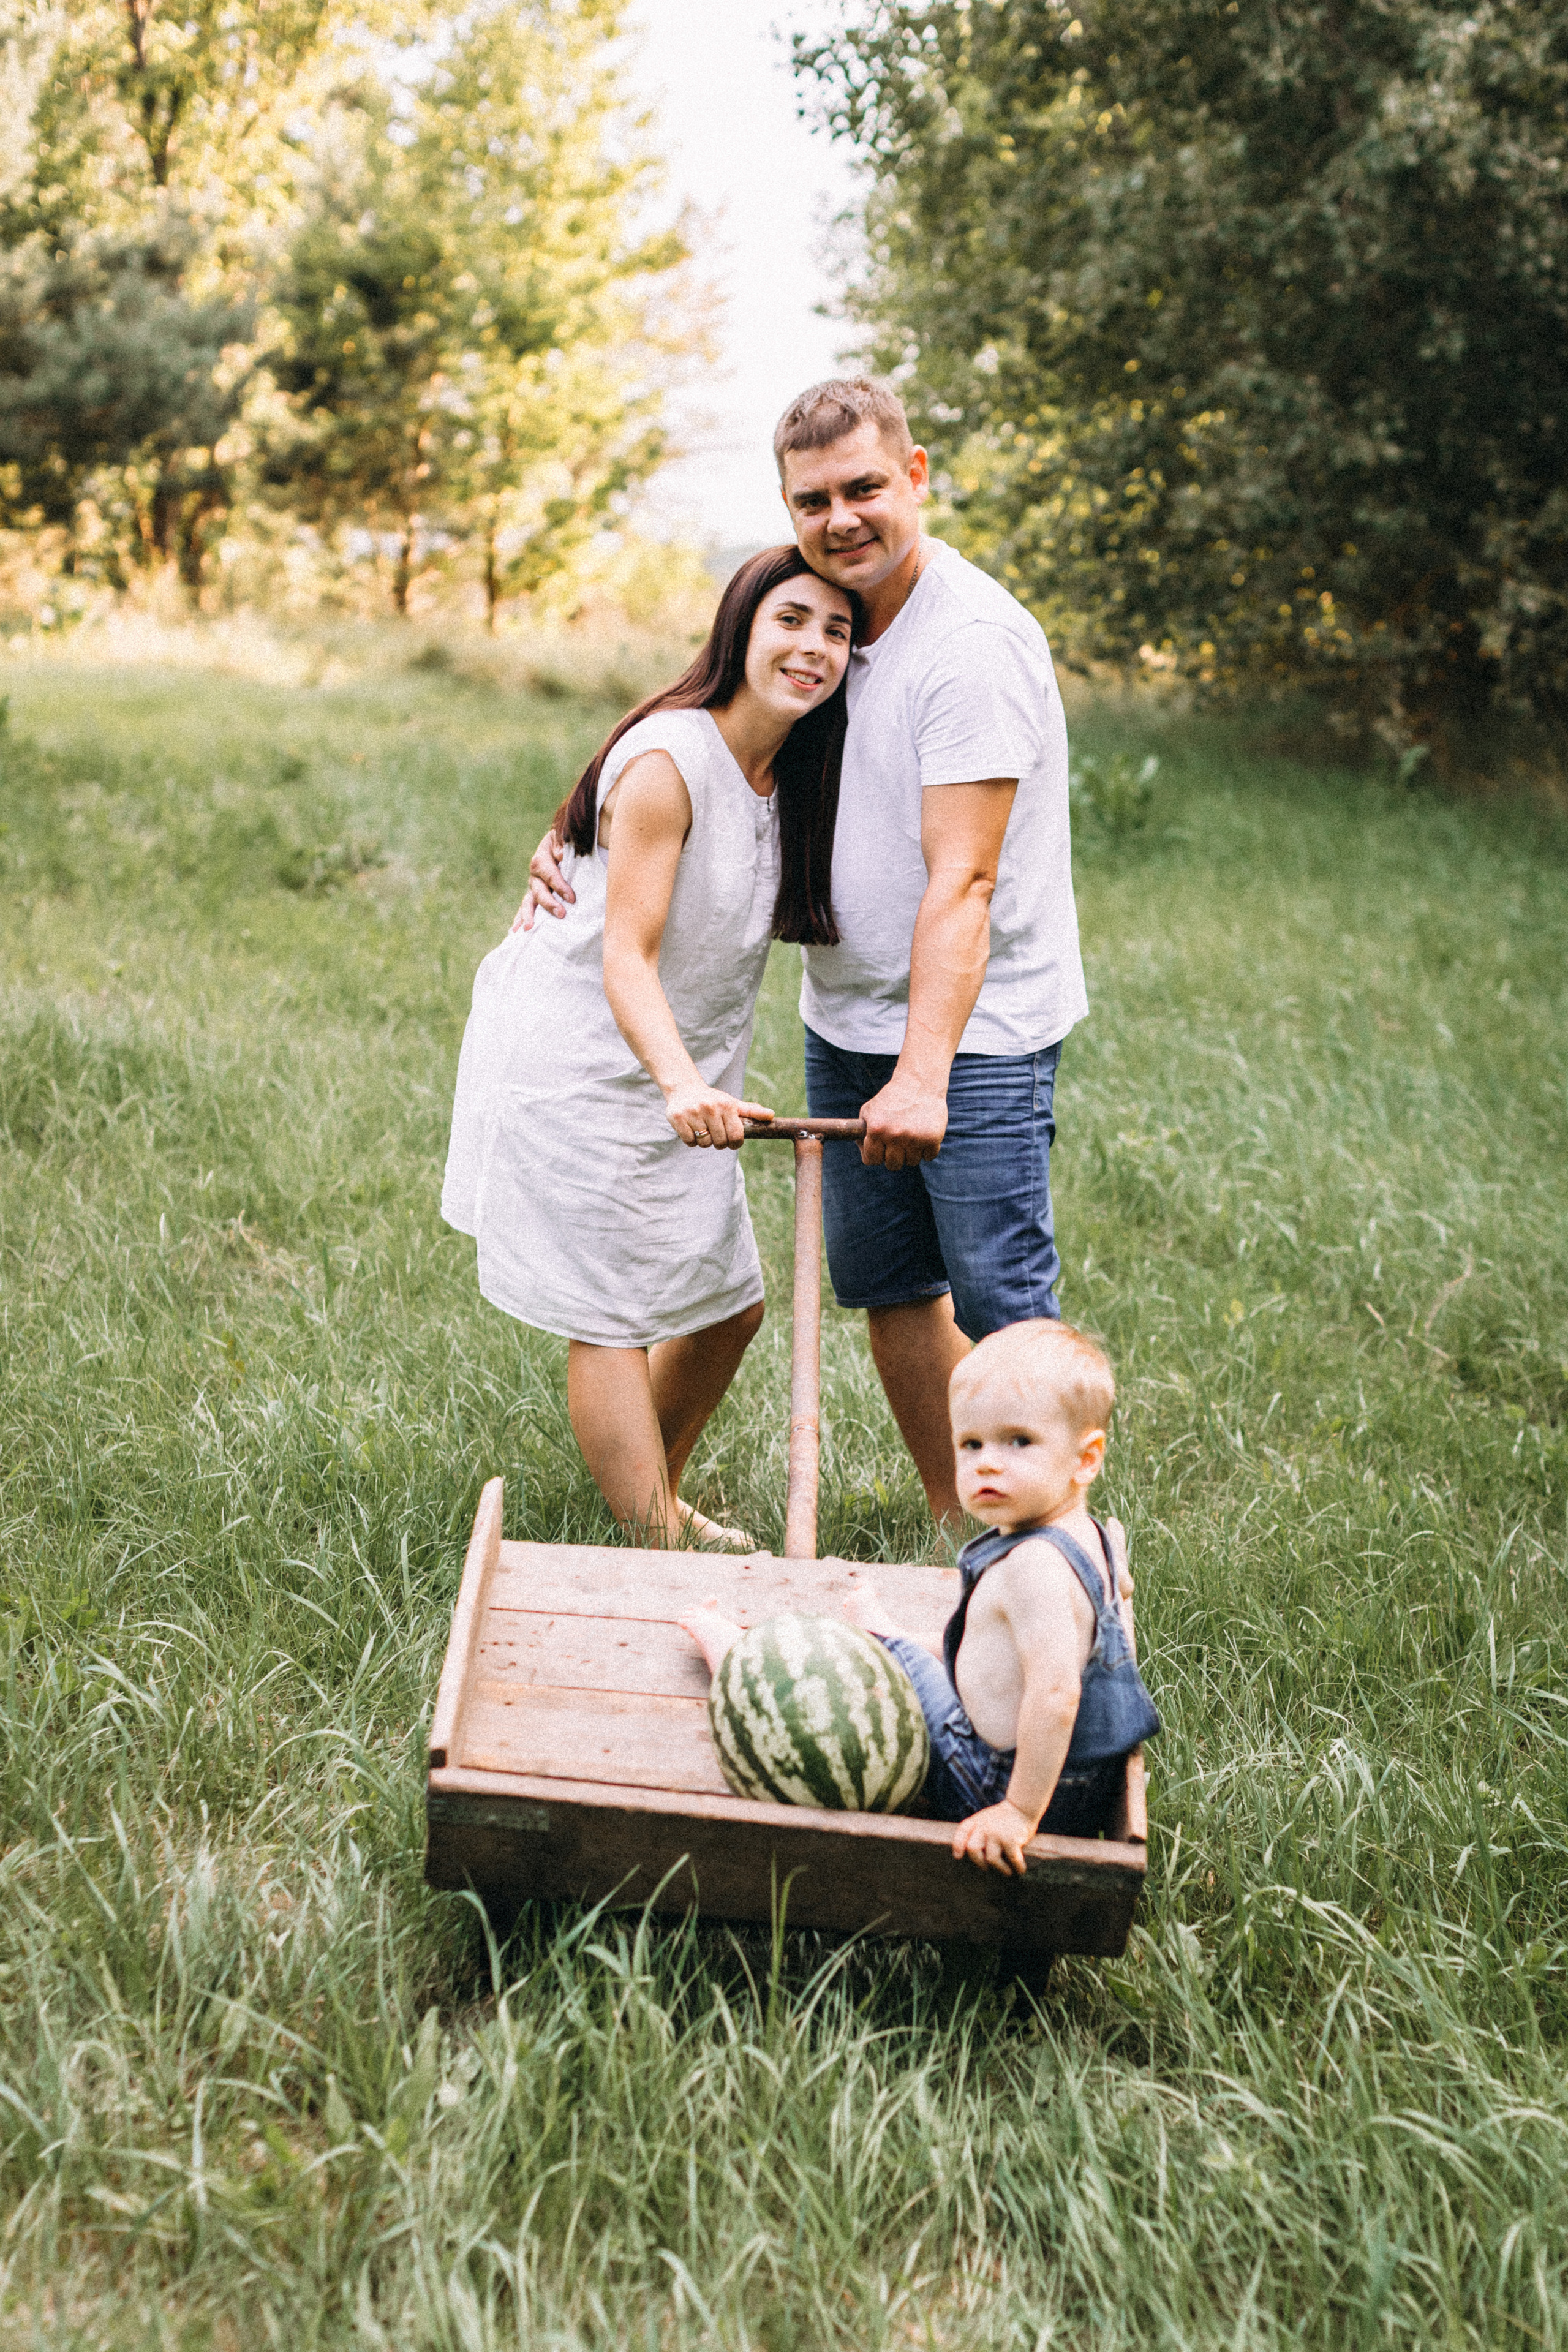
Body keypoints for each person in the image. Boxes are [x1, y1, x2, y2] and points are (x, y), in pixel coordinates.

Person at [521, 378, 1087, 1531]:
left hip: (972, 1032)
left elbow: (966, 879)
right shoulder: (836, 617)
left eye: (866, 489)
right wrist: (589, 818)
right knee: (890, 1288)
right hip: (848, 1015)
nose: (842, 518)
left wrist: (924, 1071)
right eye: (813, 499)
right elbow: (713, 713)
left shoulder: (968, 645)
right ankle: (957, 1523)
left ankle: (1058, 1556)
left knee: (999, 1297)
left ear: (916, 475)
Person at [442, 548, 856, 1548]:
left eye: (838, 632)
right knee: (612, 1314)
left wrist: (688, 1079)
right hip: (583, 1055)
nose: (813, 647)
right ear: (740, 630)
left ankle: (647, 1504)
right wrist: (677, 1082)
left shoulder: (793, 772)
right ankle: (654, 1546)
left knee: (728, 1308)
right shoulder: (672, 759)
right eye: (792, 620)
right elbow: (624, 955)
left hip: (686, 1064)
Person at [680, 1319, 1159, 1874]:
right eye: (971, 1443)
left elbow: (1056, 1696)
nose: (988, 1461)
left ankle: (744, 1658)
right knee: (916, 1654)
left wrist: (1018, 1813)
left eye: (1019, 1441)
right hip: (1078, 1781)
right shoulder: (1093, 1535)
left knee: (885, 1667)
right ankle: (888, 1637)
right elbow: (1111, 1607)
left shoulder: (1035, 1567)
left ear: (1086, 1458)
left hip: (991, 1779)